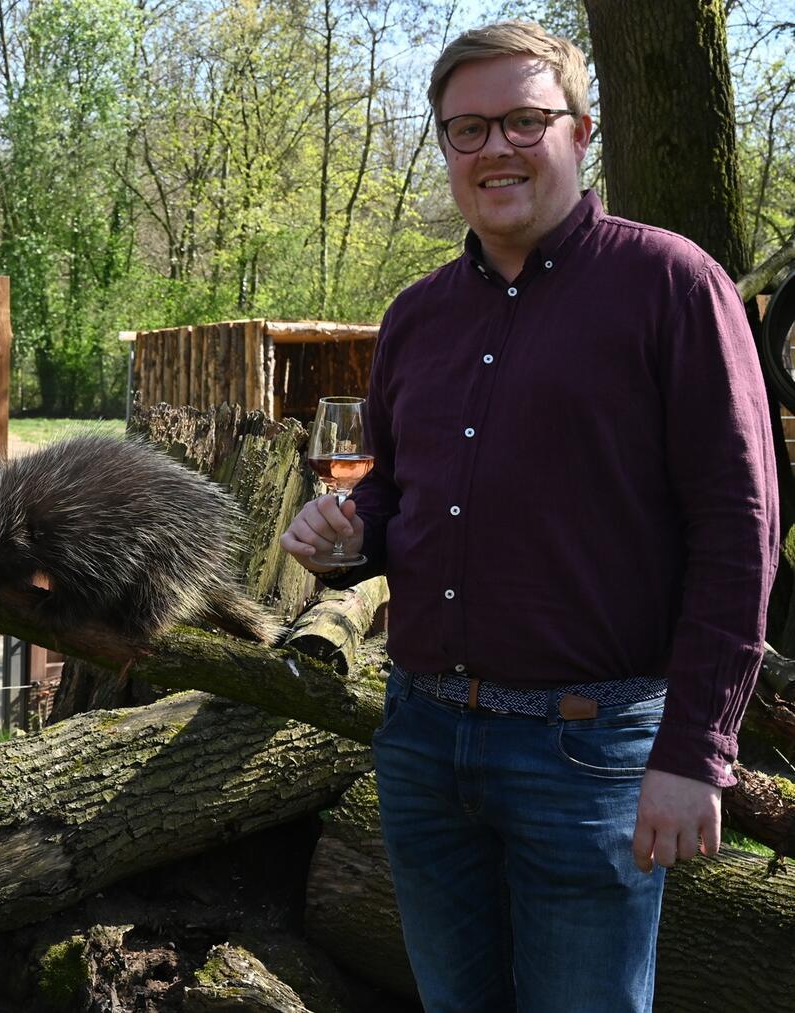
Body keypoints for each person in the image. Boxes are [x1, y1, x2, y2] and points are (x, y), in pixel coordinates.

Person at [280, 21, 777, 1013]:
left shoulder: (672, 285)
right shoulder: (417, 315)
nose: (495, 148)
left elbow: (741, 525)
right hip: (423, 740)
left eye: (523, 120)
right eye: (467, 128)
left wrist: (695, 751)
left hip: (589, 752)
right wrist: (351, 533)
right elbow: (396, 490)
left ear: (581, 132)